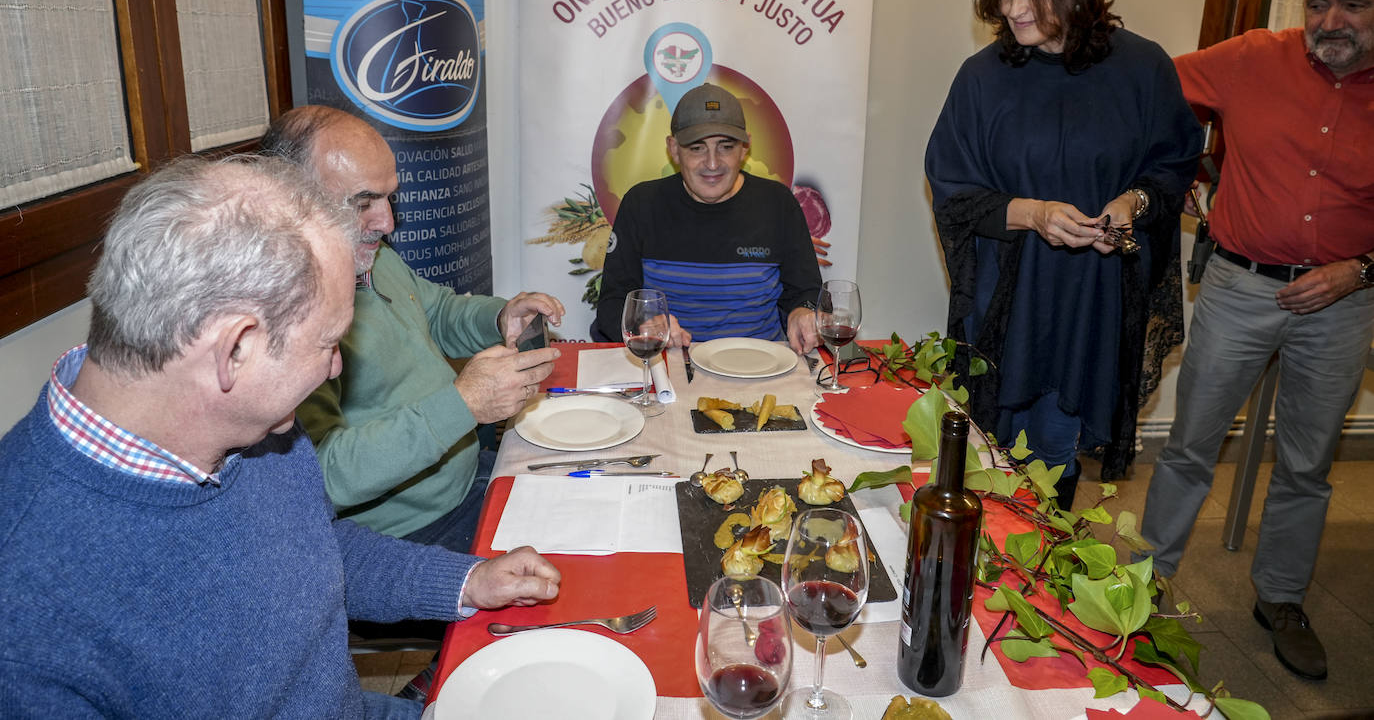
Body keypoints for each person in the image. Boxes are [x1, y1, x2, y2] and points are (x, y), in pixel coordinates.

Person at [0, 155, 561, 718]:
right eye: (328, 343)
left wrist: (465, 581)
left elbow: (311, 546)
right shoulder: (27, 620)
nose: (338, 368)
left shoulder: (261, 433)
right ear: (235, 350)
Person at [1140, 0, 1374, 682]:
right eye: (1317, 3)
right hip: (1241, 288)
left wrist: (1357, 271)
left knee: (1306, 464)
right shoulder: (1250, 58)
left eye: (1354, 4)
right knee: (1188, 447)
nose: (1331, 20)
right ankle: (1143, 589)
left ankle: (1280, 599)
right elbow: (1149, 94)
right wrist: (1181, 179)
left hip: (1345, 302)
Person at [924, 0, 1201, 505]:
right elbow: (952, 187)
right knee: (988, 455)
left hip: (1089, 301)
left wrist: (1133, 203)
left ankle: (1034, 574)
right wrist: (1034, 213)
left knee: (1054, 454)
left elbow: (1173, 164)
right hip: (1011, 301)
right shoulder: (983, 78)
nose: (1014, 8)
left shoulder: (1143, 69)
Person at [261, 106, 564, 553]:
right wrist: (464, 404)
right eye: (363, 203)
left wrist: (499, 319)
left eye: (388, 198)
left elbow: (435, 311)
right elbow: (322, 475)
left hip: (467, 476)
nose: (387, 223)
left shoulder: (369, 255)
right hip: (407, 533)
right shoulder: (281, 313)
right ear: (291, 200)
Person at [594, 82, 822, 355]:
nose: (712, 164)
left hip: (762, 364)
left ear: (745, 147)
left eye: (725, 147)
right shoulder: (641, 204)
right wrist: (644, 322)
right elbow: (612, 304)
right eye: (696, 148)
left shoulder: (779, 203)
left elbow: (807, 291)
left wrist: (802, 311)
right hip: (672, 364)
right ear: (674, 149)